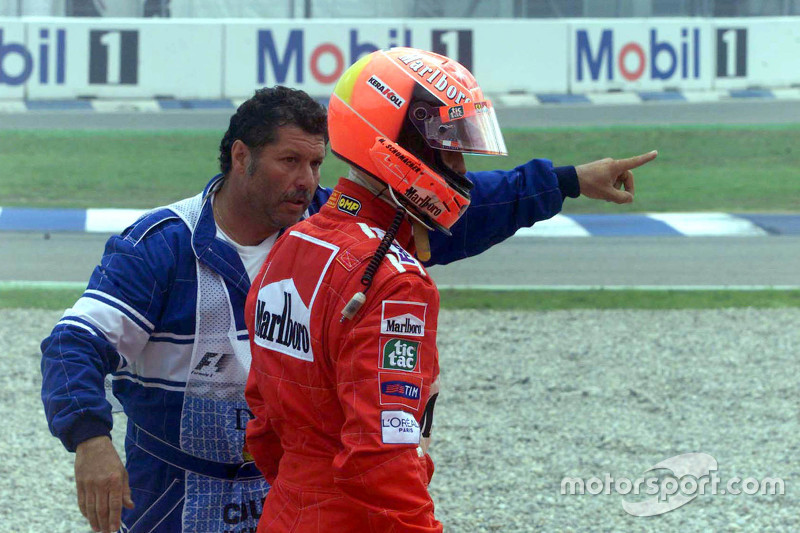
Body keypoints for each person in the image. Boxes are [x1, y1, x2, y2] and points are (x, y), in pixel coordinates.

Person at [41, 77, 656, 533]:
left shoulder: (326, 227)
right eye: (289, 162)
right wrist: (91, 441)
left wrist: (568, 180)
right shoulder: (160, 246)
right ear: (239, 157)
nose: (308, 180)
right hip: (173, 493)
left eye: (315, 162)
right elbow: (73, 341)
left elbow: (455, 208)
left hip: (278, 487)